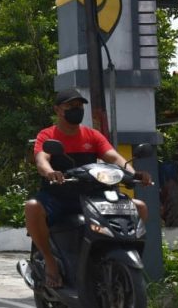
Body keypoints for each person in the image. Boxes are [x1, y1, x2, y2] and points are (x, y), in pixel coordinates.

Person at [24, 89, 152, 288]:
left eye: (79, 106)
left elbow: (114, 157)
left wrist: (133, 174)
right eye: (70, 106)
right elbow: (42, 160)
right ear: (58, 110)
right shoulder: (47, 135)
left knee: (140, 207)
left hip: (93, 196)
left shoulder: (92, 135)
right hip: (58, 196)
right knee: (32, 207)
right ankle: (50, 263)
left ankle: (123, 255)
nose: (77, 110)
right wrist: (50, 172)